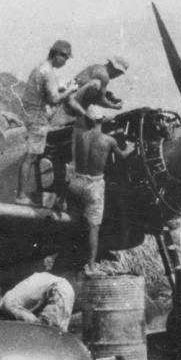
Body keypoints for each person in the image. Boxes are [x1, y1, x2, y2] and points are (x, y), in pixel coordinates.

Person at [17, 40, 85, 207]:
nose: (65, 62)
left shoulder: (40, 68)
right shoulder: (48, 73)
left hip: (32, 115)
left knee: (32, 156)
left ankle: (26, 194)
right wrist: (70, 90)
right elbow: (54, 99)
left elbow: (44, 95)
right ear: (57, 55)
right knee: (31, 157)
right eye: (65, 58)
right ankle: (21, 195)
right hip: (38, 118)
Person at [68, 115, 135, 276]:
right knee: (93, 227)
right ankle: (91, 266)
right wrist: (130, 148)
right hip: (94, 185)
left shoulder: (80, 137)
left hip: (76, 182)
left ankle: (70, 256)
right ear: (101, 121)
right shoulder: (109, 140)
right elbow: (122, 156)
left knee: (73, 221)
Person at [52, 56, 129, 128]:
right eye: (119, 73)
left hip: (68, 102)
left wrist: (109, 97)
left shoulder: (97, 67)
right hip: (70, 108)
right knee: (96, 85)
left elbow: (87, 90)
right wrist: (113, 106)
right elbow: (100, 100)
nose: (117, 76)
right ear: (115, 69)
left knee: (103, 92)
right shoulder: (104, 76)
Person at [0, 271, 75, 332]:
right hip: (54, 285)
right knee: (50, 332)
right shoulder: (8, 301)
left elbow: (35, 323)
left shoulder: (8, 305)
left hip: (59, 288)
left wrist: (37, 323)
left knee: (52, 331)